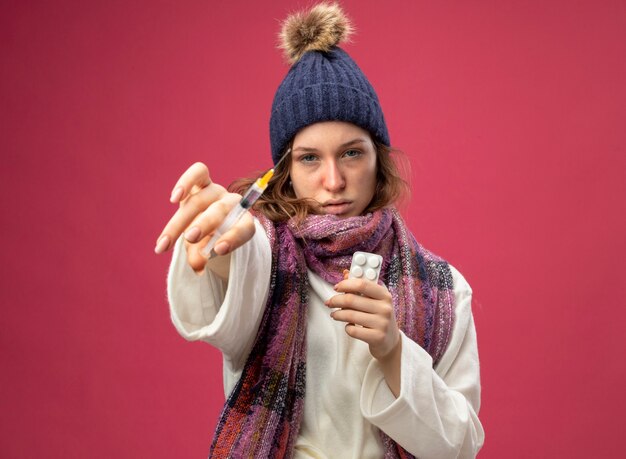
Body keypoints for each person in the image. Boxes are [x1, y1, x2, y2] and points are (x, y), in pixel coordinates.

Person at [155, 3, 484, 458]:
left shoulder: (443, 290)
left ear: (379, 158)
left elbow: (460, 447)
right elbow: (240, 272)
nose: (333, 181)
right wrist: (224, 245)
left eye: (351, 153)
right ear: (284, 171)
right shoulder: (266, 257)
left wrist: (393, 351)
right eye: (310, 158)